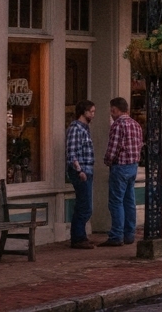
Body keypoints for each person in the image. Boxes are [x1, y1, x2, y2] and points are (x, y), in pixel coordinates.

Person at [101, 97, 142, 247]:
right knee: (129, 201)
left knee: (116, 201)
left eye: (112, 111)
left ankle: (116, 235)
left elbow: (113, 148)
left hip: (120, 167)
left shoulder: (118, 125)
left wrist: (107, 161)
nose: (111, 114)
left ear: (115, 110)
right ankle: (129, 234)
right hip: (133, 166)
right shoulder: (136, 124)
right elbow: (139, 146)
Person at [65, 100, 96, 249]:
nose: (93, 114)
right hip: (81, 171)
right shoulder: (76, 128)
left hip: (88, 169)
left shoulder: (85, 128)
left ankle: (81, 236)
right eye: (91, 111)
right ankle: (77, 238)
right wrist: (79, 170)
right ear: (83, 112)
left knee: (85, 205)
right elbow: (71, 153)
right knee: (84, 206)